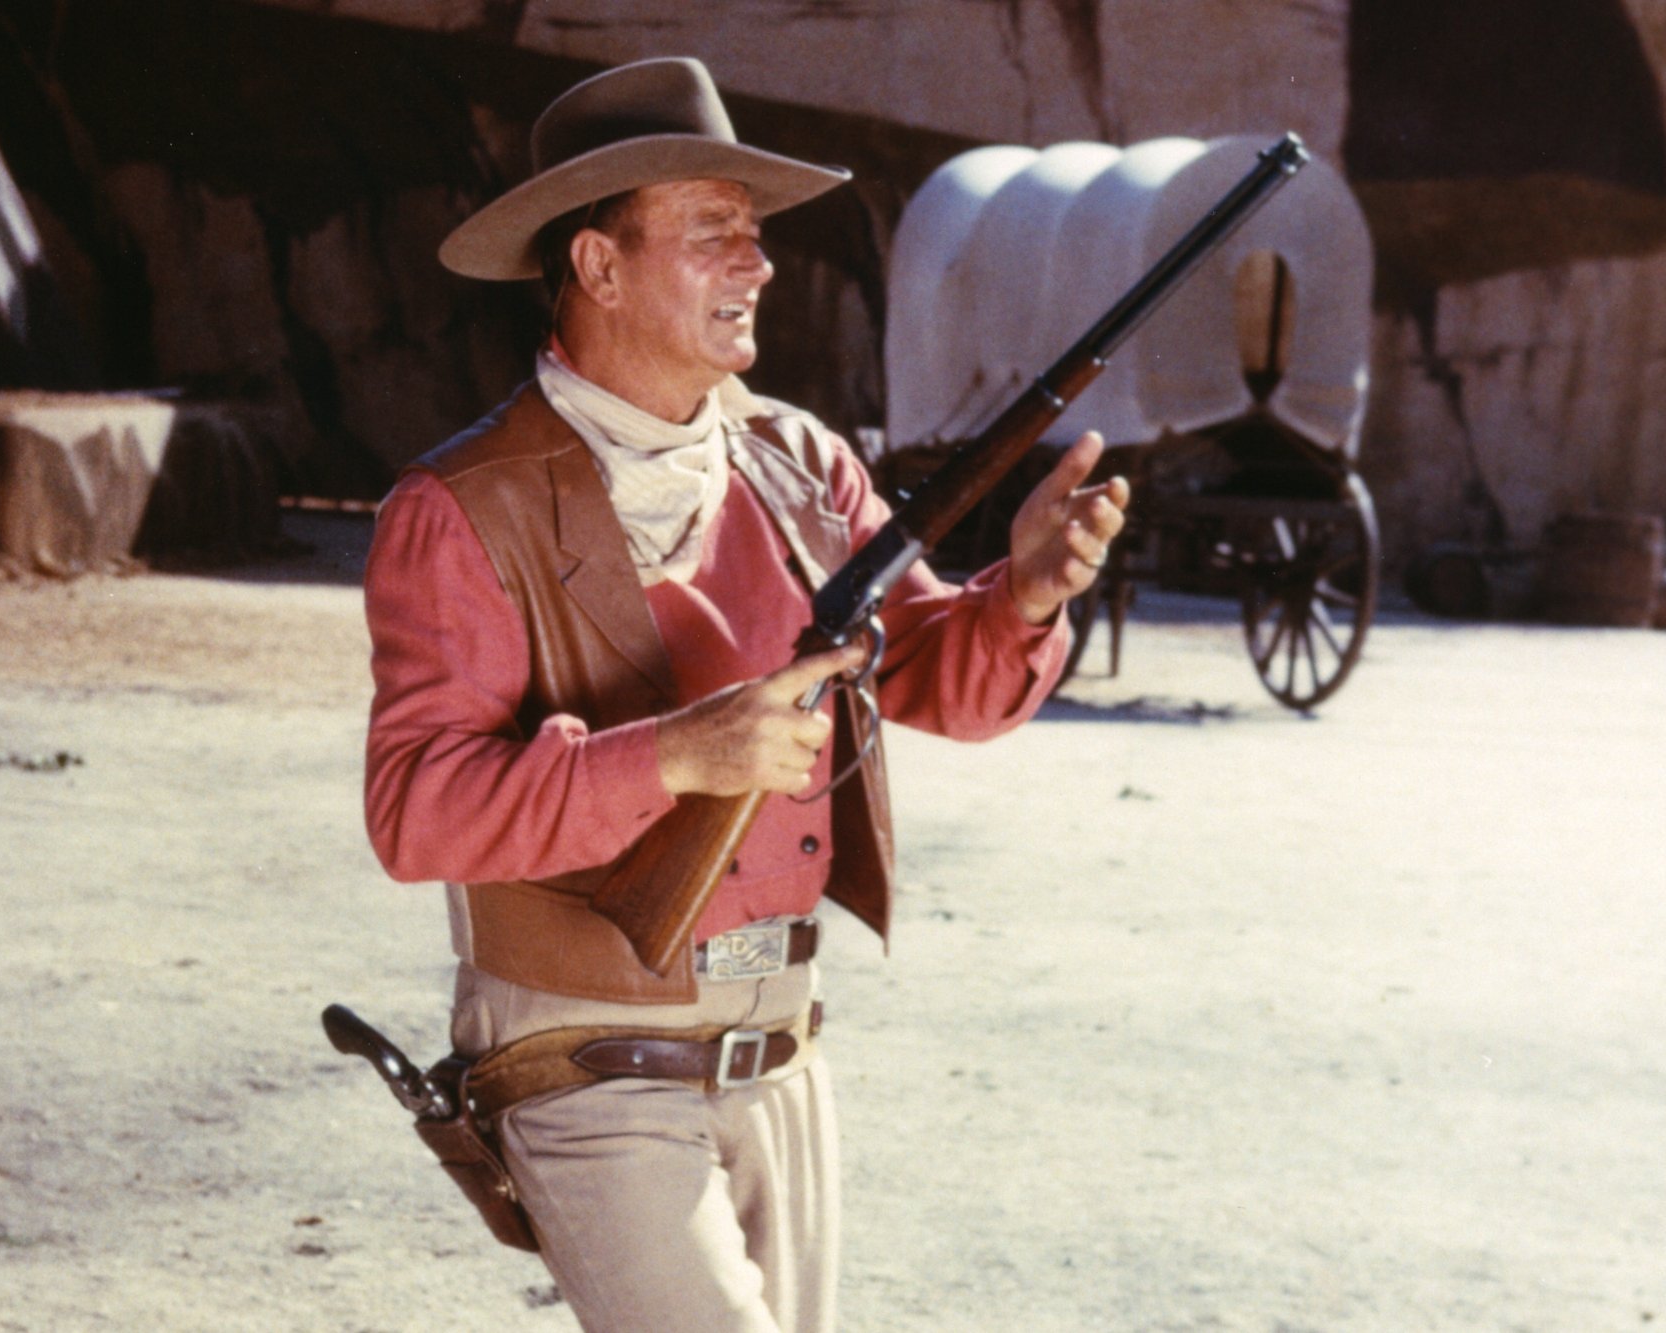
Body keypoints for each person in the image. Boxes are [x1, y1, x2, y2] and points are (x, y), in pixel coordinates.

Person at [362, 55, 1128, 1333]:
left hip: (781, 1049)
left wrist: (1029, 592)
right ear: (597, 268)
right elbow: (416, 811)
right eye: (712, 230)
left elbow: (941, 669)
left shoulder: (798, 460)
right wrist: (670, 757)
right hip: (584, 1056)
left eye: (754, 232)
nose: (757, 263)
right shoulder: (458, 509)